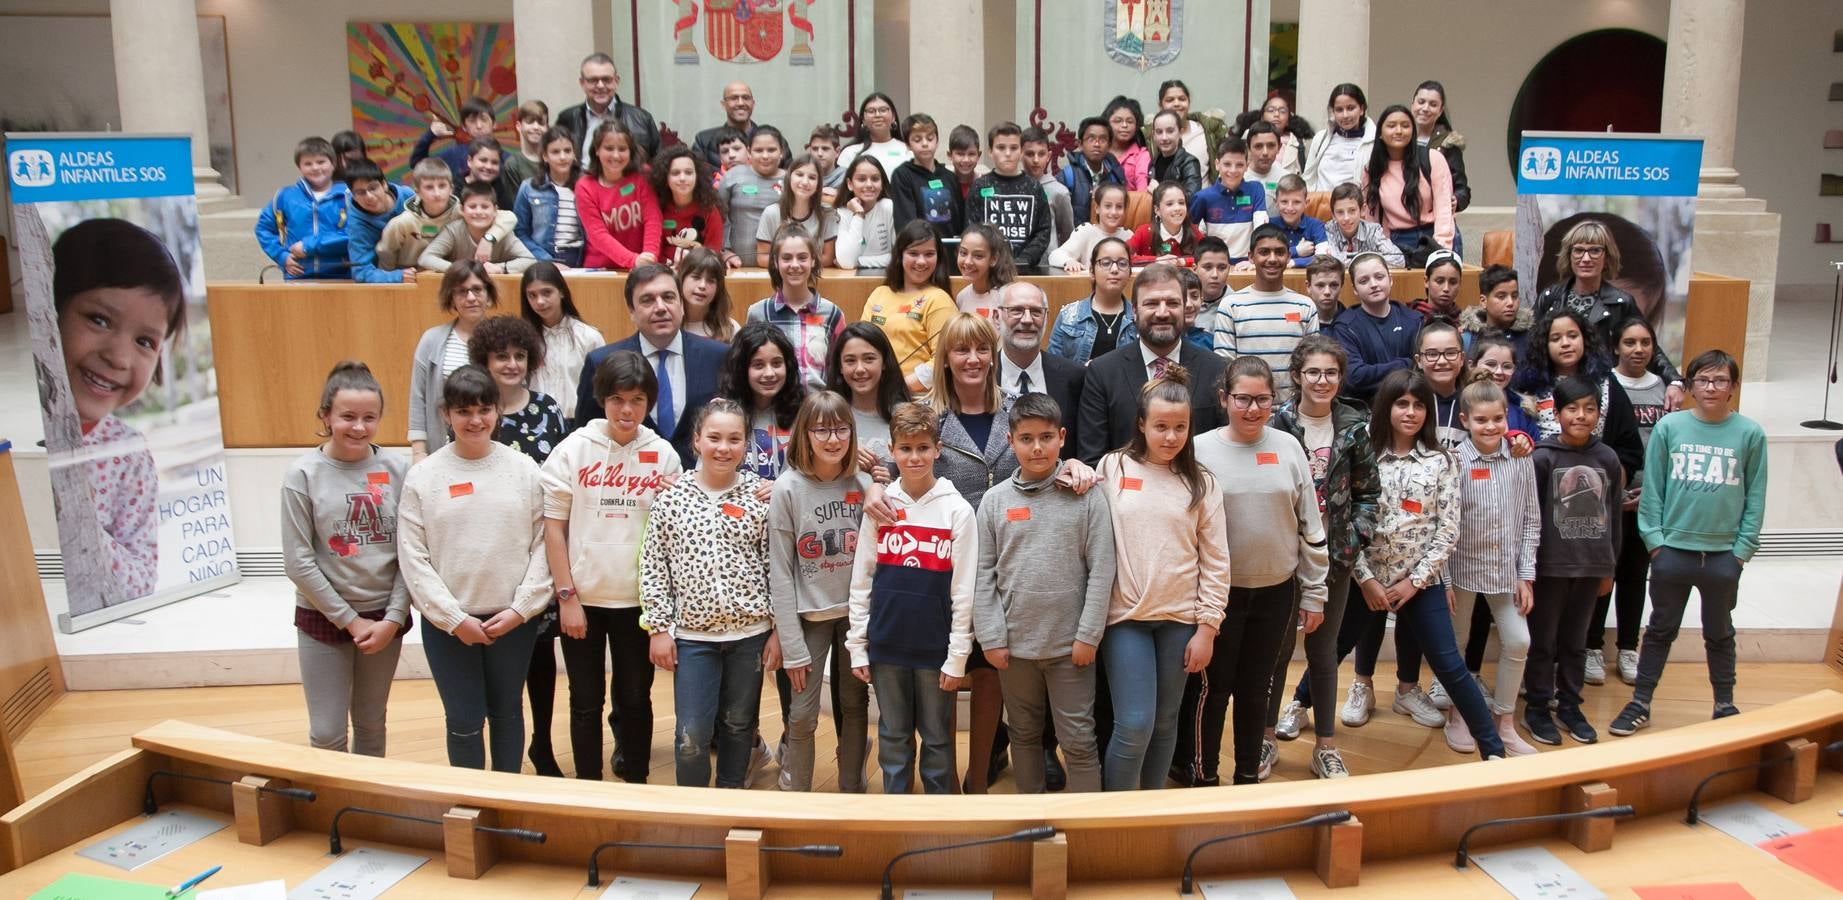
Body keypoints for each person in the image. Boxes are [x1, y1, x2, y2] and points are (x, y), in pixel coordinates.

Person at [1176, 357, 1329, 786]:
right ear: (1224, 398)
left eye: (1263, 399)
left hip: (1277, 592)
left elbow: (1310, 525)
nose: (1252, 409)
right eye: (1243, 398)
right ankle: (1204, 777)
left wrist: (1315, 592)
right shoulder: (1199, 448)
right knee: (1212, 690)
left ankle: (1247, 777)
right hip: (1216, 597)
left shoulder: (1288, 446)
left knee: (1257, 687)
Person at [399, 365, 552, 772]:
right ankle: (471, 809)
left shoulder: (524, 470)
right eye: (463, 411)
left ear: (497, 413)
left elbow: (544, 545)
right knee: (465, 721)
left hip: (511, 621)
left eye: (484, 409)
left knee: (507, 714)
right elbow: (413, 558)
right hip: (449, 627)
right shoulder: (423, 477)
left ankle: (507, 804)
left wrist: (522, 608)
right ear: (446, 415)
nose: (475, 420)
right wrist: (452, 618)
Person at [542, 350, 683, 782]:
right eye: (618, 399)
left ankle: (636, 786)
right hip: (582, 601)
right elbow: (553, 529)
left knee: (636, 699)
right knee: (585, 700)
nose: (627, 410)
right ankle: (589, 788)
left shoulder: (663, 455)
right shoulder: (573, 450)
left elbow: (671, 538)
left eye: (637, 400)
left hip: (638, 605)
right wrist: (566, 597)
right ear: (602, 397)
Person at [1610, 350, 1765, 736]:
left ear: (1733, 387)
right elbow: (1653, 490)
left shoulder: (1750, 433)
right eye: (1703, 380)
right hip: (1672, 552)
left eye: (1720, 381)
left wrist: (1741, 552)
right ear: (1690, 385)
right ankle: (1640, 702)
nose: (1711, 387)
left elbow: (1756, 496)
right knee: (1660, 629)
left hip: (1723, 556)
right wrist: (1656, 544)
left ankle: (1724, 705)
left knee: (1719, 633)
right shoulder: (1670, 428)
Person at [1354, 369, 1506, 759]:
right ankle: (1295, 710)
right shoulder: (1364, 455)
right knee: (1333, 649)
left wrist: (1414, 582)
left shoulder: (1442, 460)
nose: (1410, 412)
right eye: (1402, 403)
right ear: (1386, 407)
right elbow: (1347, 524)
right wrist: (1366, 579)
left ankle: (1493, 749)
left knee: (1449, 664)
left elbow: (1448, 529)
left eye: (1419, 404)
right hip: (1367, 581)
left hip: (1421, 584)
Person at [976, 393, 1116, 794]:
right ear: (1010, 440)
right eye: (1026, 438)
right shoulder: (994, 501)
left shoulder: (1086, 497)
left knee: (1077, 740)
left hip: (1070, 648)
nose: (1037, 447)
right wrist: (991, 637)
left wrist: (1088, 636)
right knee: (1023, 733)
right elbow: (983, 575)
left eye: (1046, 437)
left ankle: (1084, 829)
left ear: (1062, 437)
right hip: (1014, 649)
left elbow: (1102, 568)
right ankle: (1033, 819)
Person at [1096, 366, 1227, 789]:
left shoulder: (1201, 482)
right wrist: (1071, 472)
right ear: (1141, 424)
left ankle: (1150, 811)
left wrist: (1207, 628)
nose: (1171, 437)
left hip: (1180, 620)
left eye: (1180, 427)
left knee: (1166, 722)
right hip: (1126, 618)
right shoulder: (1113, 467)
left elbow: (1216, 560)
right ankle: (1115, 818)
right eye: (1161, 427)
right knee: (1134, 723)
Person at [640, 398, 775, 788]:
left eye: (734, 439)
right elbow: (653, 566)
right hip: (693, 638)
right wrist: (659, 628)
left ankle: (730, 801)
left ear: (746, 445)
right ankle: (694, 812)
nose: (723, 447)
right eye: (714, 437)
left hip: (749, 636)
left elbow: (775, 567)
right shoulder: (672, 498)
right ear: (696, 441)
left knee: (738, 725)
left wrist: (778, 629)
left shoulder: (759, 498)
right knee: (692, 735)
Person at [845, 402, 977, 795]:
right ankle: (895, 815)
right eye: (905, 448)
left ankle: (937, 821)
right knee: (893, 736)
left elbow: (964, 590)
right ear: (893, 450)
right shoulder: (880, 507)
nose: (914, 457)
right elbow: (862, 579)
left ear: (938, 449)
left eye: (923, 448)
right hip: (886, 645)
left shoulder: (958, 511)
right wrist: (857, 645)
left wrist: (957, 656)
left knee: (937, 740)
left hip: (934, 650)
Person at [283, 362, 410, 758]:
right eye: (347, 417)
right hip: (325, 617)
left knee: (372, 724)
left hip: (384, 621)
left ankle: (366, 813)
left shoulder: (398, 470)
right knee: (326, 734)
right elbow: (298, 562)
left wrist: (392, 618)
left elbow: (412, 553)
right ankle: (327, 813)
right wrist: (350, 620)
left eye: (369, 418)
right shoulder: (302, 474)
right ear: (325, 416)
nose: (359, 427)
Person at [1268, 336, 1377, 779]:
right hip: (1281, 560)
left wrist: (1351, 541)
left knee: (1324, 651)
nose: (1322, 380)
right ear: (1297, 376)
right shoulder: (1277, 425)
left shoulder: (1354, 426)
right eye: (1313, 372)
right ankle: (1264, 739)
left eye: (1330, 372)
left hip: (1334, 561)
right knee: (1277, 652)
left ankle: (1326, 745)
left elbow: (1369, 493)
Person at [464, 315, 568, 775]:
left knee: (540, 658)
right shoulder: (472, 413)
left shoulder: (547, 409)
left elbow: (563, 486)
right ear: (483, 360)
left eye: (519, 356)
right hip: (489, 552)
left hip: (538, 551)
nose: (511, 364)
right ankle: (498, 745)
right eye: (501, 356)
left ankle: (541, 745)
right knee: (494, 666)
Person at [926, 313, 1018, 794]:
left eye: (982, 349)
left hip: (1004, 567)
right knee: (945, 671)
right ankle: (940, 775)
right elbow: (895, 464)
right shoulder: (927, 415)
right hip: (942, 570)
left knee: (989, 671)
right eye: (962, 350)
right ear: (946, 358)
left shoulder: (1018, 412)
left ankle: (979, 774)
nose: (972, 359)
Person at [770, 392, 875, 792]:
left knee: (854, 704)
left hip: (854, 617)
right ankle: (798, 793)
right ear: (805, 435)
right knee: (802, 714)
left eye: (841, 429)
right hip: (809, 620)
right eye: (822, 430)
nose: (833, 439)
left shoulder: (864, 485)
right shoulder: (788, 489)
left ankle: (851, 788)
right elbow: (780, 572)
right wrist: (792, 646)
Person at [1523, 375, 1625, 746]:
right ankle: (1536, 706)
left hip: (1591, 567)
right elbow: (1529, 518)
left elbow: (1613, 516)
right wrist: (1527, 570)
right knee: (1543, 641)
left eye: (1590, 409)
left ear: (1599, 413)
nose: (1581, 416)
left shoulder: (1607, 458)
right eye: (1572, 408)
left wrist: (1609, 568)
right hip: (1550, 568)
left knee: (1576, 642)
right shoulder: (1543, 457)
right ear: (1557, 412)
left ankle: (1569, 704)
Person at [1446, 376, 1541, 756]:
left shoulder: (1520, 458)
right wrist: (1445, 580)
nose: (1491, 428)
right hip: (1463, 572)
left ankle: (1504, 721)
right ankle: (1458, 713)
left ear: (1507, 418)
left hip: (1505, 574)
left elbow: (1532, 520)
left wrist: (1526, 575)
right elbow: (1445, 522)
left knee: (1519, 640)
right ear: (1466, 420)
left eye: (1498, 419)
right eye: (1481, 420)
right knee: (1456, 645)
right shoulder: (1453, 461)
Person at [574, 264, 730, 467]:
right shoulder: (601, 362)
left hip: (700, 487)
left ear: (681, 305)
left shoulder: (718, 356)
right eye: (647, 300)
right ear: (631, 311)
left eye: (668, 297)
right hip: (626, 485)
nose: (660, 307)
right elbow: (587, 437)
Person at [1076, 264, 1229, 465]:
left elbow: (1225, 451)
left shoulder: (1217, 369)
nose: (1163, 313)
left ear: (1185, 308)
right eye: (1152, 303)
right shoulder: (1103, 373)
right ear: (1134, 311)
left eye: (1173, 303)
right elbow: (1092, 459)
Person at [1591, 318, 1669, 686]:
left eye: (1645, 342)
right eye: (1629, 342)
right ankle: (1592, 646)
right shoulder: (1604, 386)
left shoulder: (1666, 389)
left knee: (1634, 575)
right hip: (1607, 496)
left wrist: (1651, 492)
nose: (1638, 349)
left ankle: (1627, 647)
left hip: (1647, 495)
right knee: (1603, 570)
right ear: (1616, 347)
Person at [1532, 219, 1683, 395]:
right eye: (1579, 250)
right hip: (1553, 391)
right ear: (1569, 256)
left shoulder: (1621, 302)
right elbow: (1531, 345)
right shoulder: (1551, 297)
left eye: (1595, 251)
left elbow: (1646, 345)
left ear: (1607, 257)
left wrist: (1673, 381)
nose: (1586, 258)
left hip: (1600, 394)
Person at [1513, 308, 1645, 478]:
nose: (1566, 343)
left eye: (1573, 336)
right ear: (1544, 345)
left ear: (1585, 339)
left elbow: (1629, 446)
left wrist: (1611, 483)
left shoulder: (1605, 382)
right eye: (1556, 338)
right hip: (1540, 478)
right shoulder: (1528, 386)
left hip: (1596, 480)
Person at [1211, 224, 1319, 392]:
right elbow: (1225, 365)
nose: (1272, 259)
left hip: (1293, 410)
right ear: (1251, 257)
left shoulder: (1305, 306)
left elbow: (1311, 363)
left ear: (1289, 256)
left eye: (1280, 252)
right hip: (1247, 408)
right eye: (1264, 252)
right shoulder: (1231, 305)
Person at [740, 226, 844, 395]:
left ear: (813, 260)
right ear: (775, 261)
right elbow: (747, 367)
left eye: (802, 258)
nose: (795, 265)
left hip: (818, 411)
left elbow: (839, 371)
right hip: (775, 411)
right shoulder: (758, 313)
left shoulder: (832, 313)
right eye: (787, 258)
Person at [409, 262, 497, 461]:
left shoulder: (503, 340)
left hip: (492, 448)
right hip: (442, 449)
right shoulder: (431, 340)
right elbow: (418, 397)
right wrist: (418, 451)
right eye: (462, 292)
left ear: (488, 295)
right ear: (452, 298)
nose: (471, 298)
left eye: (477, 289)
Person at [379, 159, 515, 274]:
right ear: (418, 192)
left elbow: (509, 217)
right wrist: (394, 279)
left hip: (450, 275)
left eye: (442, 186)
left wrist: (488, 239)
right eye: (429, 187)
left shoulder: (461, 211)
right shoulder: (402, 222)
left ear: (451, 189)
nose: (437, 193)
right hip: (411, 278)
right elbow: (386, 254)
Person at [996, 282, 1085, 457]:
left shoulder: (1075, 377)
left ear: (1046, 317)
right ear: (997, 316)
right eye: (1016, 310)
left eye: (1036, 311)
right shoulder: (981, 377)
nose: (1027, 320)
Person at [860, 220, 955, 382]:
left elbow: (944, 360)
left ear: (938, 258)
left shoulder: (939, 300)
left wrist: (900, 386)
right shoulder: (879, 293)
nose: (921, 261)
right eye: (913, 253)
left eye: (929, 254)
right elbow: (861, 346)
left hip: (918, 399)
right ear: (900, 255)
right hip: (874, 390)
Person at [1361, 105, 1454, 265]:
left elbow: (1444, 208)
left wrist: (1441, 249)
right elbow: (1372, 218)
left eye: (1405, 126)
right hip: (1396, 243)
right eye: (1391, 126)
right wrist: (1376, 252)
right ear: (1380, 134)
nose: (1399, 131)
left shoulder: (1433, 158)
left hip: (1432, 238)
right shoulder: (1372, 169)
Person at [1332, 252, 1424, 402]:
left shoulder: (1414, 320)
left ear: (1390, 280)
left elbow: (1422, 369)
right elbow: (1355, 377)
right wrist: (1405, 363)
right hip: (1364, 410)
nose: (1373, 284)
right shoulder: (1345, 326)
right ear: (1354, 288)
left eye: (1379, 277)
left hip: (1410, 404)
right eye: (1364, 281)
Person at [826, 322, 912, 483]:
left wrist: (895, 484)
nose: (860, 369)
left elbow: (924, 484)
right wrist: (843, 455)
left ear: (884, 362)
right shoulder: (823, 417)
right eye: (850, 361)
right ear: (840, 367)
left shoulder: (908, 417)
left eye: (869, 359)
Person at [519, 263, 603, 423]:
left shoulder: (588, 336)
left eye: (547, 292)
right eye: (532, 295)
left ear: (562, 291)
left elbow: (601, 389)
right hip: (534, 421)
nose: (540, 301)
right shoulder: (521, 339)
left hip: (577, 423)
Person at [256, 136, 350, 280]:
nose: (315, 168)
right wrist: (282, 256)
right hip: (298, 276)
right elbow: (263, 228)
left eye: (321, 162)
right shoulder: (285, 197)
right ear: (299, 167)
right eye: (308, 163)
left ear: (333, 164)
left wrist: (308, 246)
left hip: (341, 274)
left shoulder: (348, 196)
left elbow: (353, 233)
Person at [721, 323, 805, 481]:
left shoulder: (805, 414)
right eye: (758, 365)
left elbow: (817, 476)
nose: (769, 373)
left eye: (776, 363)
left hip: (788, 502)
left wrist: (782, 489)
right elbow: (707, 473)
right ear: (741, 368)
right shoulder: (724, 414)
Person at [575, 120, 662, 271]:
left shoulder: (643, 175)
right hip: (601, 270)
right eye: (609, 148)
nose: (616, 155)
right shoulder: (584, 186)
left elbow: (653, 218)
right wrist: (633, 260)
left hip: (643, 268)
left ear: (630, 151)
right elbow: (597, 235)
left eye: (622, 149)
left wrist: (649, 257)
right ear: (597, 150)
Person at [967, 122, 1052, 267]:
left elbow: (1043, 230)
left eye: (1014, 148)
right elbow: (972, 228)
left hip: (1027, 269)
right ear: (990, 151)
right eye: (1001, 147)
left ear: (1021, 151)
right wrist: (989, 257)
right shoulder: (979, 186)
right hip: (988, 268)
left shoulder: (1034, 187)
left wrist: (1025, 259)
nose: (1007, 153)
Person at [1048, 237, 1137, 366]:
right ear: (1092, 271)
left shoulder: (1138, 318)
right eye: (1106, 263)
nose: (1114, 269)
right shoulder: (1069, 315)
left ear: (1129, 273)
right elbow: (1054, 366)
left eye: (1122, 263)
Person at [557, 53, 660, 160]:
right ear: (582, 83)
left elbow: (658, 164)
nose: (600, 86)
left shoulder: (641, 119)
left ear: (616, 81)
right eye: (593, 80)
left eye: (606, 79)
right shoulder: (567, 119)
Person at [419, 181, 536, 274]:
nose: (478, 212)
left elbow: (530, 260)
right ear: (462, 210)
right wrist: (462, 269)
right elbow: (425, 258)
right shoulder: (453, 230)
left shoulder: (503, 233)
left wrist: (500, 268)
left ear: (495, 210)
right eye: (472, 206)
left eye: (485, 207)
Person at [513, 127, 586, 267]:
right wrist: (546, 260)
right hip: (543, 257)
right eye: (555, 152)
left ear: (574, 154)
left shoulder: (585, 186)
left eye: (567, 151)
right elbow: (520, 232)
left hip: (580, 258)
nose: (563, 157)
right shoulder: (529, 188)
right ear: (545, 156)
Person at [1189, 136, 1268, 262]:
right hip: (1215, 265)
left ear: (1247, 166)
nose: (1233, 170)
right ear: (1217, 164)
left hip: (1247, 264)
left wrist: (1255, 261)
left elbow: (1261, 229)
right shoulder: (1203, 197)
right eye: (1227, 164)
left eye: (1239, 165)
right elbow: (1189, 233)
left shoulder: (1256, 190)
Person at [890, 113, 965, 241]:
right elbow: (905, 221)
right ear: (908, 144)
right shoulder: (902, 175)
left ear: (937, 141)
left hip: (949, 249)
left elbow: (959, 220)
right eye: (917, 140)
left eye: (930, 138)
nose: (925, 144)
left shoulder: (950, 177)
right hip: (920, 249)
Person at [650, 145, 728, 267]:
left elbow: (712, 256)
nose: (682, 178)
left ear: (697, 177)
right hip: (662, 273)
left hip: (699, 274)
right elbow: (652, 252)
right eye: (675, 173)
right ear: (665, 178)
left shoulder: (710, 211)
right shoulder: (657, 208)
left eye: (688, 172)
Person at [718, 127, 788, 265]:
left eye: (771, 150)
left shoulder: (792, 180)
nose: (765, 156)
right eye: (759, 150)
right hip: (735, 264)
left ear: (782, 152)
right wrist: (724, 251)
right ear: (749, 152)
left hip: (782, 266)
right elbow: (718, 216)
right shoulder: (732, 176)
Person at [344, 158, 415, 284]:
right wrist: (397, 277)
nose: (369, 197)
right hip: (389, 277)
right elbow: (361, 272)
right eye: (360, 193)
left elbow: (432, 227)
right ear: (353, 196)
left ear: (384, 185)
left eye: (373, 188)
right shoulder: (356, 224)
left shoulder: (409, 197)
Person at [756, 153, 834, 267]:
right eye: (799, 174)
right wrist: (791, 266)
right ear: (789, 177)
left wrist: (801, 266)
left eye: (812, 177)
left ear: (818, 184)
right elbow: (762, 258)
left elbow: (827, 258)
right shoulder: (771, 213)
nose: (805, 182)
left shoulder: (827, 214)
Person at [409, 97, 501, 190]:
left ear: (494, 124)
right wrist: (430, 135)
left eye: (484, 119)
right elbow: (417, 165)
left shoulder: (506, 158)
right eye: (472, 121)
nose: (479, 126)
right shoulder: (454, 154)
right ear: (464, 127)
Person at [1410, 81, 1471, 217]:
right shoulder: (1401, 138)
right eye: (1421, 102)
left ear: (1441, 110)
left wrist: (1456, 199)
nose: (1425, 108)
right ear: (1412, 103)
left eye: (1433, 104)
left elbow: (1462, 189)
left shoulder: (1448, 143)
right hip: (1402, 221)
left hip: (1436, 220)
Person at [691, 81, 785, 168]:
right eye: (734, 98)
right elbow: (698, 178)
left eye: (746, 98)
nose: (740, 103)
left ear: (753, 103)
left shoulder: (773, 139)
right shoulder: (704, 140)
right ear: (723, 104)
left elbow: (789, 177)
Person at [1302, 84, 1375, 193]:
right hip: (1321, 207)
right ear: (1333, 112)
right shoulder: (1321, 139)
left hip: (1354, 207)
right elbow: (1308, 177)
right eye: (1339, 110)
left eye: (1350, 108)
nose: (1345, 115)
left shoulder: (1373, 141)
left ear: (1362, 109)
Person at [1048, 182, 1133, 274]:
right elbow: (1055, 255)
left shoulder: (1128, 236)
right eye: (1107, 206)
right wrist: (1068, 261)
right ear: (1097, 208)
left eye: (1119, 207)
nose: (1113, 212)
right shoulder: (1086, 231)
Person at [1058, 117, 1128, 228]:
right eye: (1091, 139)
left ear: (1109, 145)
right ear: (1080, 144)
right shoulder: (1068, 176)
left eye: (1103, 139)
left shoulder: (1116, 176)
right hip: (1076, 240)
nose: (1097, 144)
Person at [1317, 182, 1406, 268]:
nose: (1346, 218)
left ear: (1362, 210)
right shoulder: (1328, 230)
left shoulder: (1373, 230)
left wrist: (1357, 261)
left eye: (1352, 210)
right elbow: (1328, 262)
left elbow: (1398, 259)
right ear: (1333, 215)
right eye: (1340, 212)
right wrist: (1371, 257)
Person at [833, 156, 897, 269]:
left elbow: (899, 256)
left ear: (882, 183)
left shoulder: (888, 207)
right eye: (861, 179)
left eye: (875, 179)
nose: (869, 185)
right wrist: (858, 214)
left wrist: (860, 262)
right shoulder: (841, 213)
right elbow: (846, 262)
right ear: (850, 184)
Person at [1155, 79, 1225, 172]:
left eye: (1182, 99)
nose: (1177, 104)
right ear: (1160, 106)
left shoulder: (1208, 131)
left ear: (1189, 102)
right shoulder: (1151, 136)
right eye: (1170, 100)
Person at [1461, 265, 1531, 358]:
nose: (1510, 303)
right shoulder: (1467, 340)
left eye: (1514, 296)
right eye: (1501, 296)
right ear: (1483, 301)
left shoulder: (1531, 339)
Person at [1023, 127, 1075, 250]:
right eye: (1030, 154)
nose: (1036, 160)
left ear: (1049, 156)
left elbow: (1067, 233)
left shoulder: (1059, 192)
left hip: (1047, 263)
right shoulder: (1011, 186)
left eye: (1041, 154)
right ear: (1020, 154)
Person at [836, 93, 912, 176]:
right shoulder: (850, 153)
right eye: (871, 111)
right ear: (863, 120)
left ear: (893, 116)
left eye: (883, 110)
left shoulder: (908, 150)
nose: (877, 115)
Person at [1130, 182, 1203, 266]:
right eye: (1169, 204)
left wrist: (1185, 261)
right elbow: (1123, 256)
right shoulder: (1144, 232)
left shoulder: (1193, 231)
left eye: (1181, 203)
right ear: (1157, 210)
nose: (1177, 208)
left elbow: (1210, 256)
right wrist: (1156, 260)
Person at [954, 224, 1018, 317]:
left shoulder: (1008, 298)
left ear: (993, 259)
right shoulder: (962, 297)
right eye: (963, 253)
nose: (968, 262)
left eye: (978, 256)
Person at [1265, 175, 1328, 269]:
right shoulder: (1269, 226)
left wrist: (1293, 262)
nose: (1290, 208)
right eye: (1284, 202)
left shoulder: (1316, 225)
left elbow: (1323, 257)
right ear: (1276, 202)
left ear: (1306, 203)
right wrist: (1296, 251)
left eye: (1296, 202)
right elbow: (1265, 256)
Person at [1243, 92, 1313, 176]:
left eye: (1282, 111)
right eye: (1271, 110)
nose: (1276, 114)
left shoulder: (1299, 143)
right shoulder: (1249, 135)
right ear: (1262, 117)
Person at [677, 248, 738, 342]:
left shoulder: (731, 329)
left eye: (710, 281)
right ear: (682, 279)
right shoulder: (668, 326)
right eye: (696, 277)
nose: (702, 286)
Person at [1147, 109, 1203, 197]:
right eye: (1159, 132)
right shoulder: (1153, 163)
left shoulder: (1189, 162)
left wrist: (1159, 191)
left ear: (1180, 133)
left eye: (1170, 131)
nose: (1164, 137)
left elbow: (1192, 198)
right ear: (1153, 135)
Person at [1102, 95, 1150, 191]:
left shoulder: (1141, 155)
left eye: (1130, 121)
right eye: (1118, 121)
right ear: (1107, 123)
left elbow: (1142, 193)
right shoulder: (1099, 151)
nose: (1124, 125)